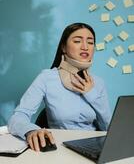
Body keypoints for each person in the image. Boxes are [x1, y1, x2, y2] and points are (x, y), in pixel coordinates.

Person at [8, 22, 111, 152]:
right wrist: (31, 131)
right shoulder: (46, 78)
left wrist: (91, 94)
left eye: (90, 42)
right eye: (78, 41)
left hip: (94, 148)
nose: (85, 47)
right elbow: (17, 117)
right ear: (63, 47)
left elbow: (107, 128)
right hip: (61, 148)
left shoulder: (98, 82)